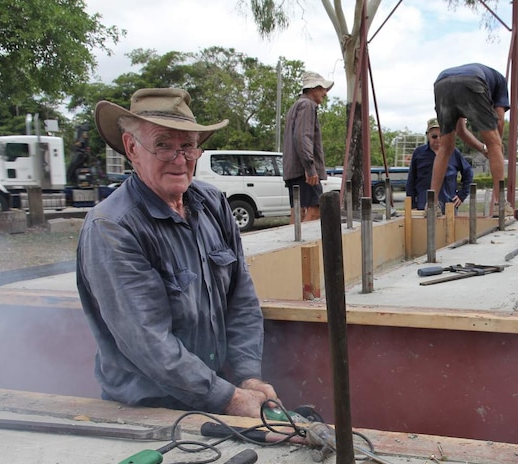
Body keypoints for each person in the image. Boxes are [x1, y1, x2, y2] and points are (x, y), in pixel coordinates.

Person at [77, 88, 278, 418]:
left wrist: (248, 377)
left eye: (187, 147)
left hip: (217, 394)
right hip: (148, 412)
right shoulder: (112, 226)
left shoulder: (212, 203)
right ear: (132, 148)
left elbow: (240, 298)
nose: (180, 159)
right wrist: (230, 399)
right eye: (163, 146)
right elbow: (149, 343)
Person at [430, 63, 510, 216]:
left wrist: (483, 148)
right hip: (472, 80)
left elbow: (460, 130)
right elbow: (499, 122)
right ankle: (500, 203)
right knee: (495, 143)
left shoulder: (485, 80)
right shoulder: (500, 82)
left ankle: (431, 205)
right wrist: (495, 149)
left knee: (445, 148)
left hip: (442, 83)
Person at [283, 71, 333, 223]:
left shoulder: (296, 106)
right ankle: (305, 246)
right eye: (322, 88)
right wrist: (310, 168)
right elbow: (303, 137)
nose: (325, 93)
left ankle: (294, 245)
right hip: (304, 172)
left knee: (298, 211)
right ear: (313, 89)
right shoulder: (307, 105)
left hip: (293, 170)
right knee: (315, 210)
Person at [406, 117, 474, 213]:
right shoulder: (419, 153)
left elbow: (468, 172)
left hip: (448, 206)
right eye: (434, 136)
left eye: (441, 136)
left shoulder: (453, 152)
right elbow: (411, 181)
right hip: (423, 206)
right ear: (428, 135)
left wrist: (462, 195)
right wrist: (412, 205)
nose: (438, 139)